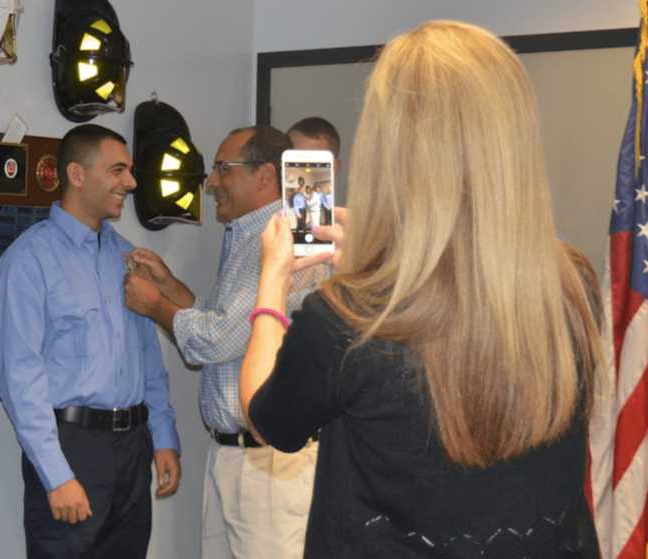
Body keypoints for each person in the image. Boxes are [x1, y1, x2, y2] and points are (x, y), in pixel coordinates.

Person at [239, 21, 604, 558]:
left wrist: (272, 281)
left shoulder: (344, 318)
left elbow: (268, 419)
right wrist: (384, 261)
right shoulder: (571, 284)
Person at [122, 126, 326, 559]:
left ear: (266, 176)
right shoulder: (247, 236)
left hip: (269, 465)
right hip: (231, 455)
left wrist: (156, 305)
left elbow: (215, 342)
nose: (211, 182)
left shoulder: (287, 238)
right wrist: (171, 287)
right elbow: (225, 323)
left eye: (222, 169)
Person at [0, 124, 181, 559]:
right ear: (77, 175)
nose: (130, 183)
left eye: (129, 171)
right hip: (71, 446)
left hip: (133, 446)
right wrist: (57, 476)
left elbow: (148, 358)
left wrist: (164, 437)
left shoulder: (126, 257)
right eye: (118, 170)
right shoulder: (28, 261)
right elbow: (20, 380)